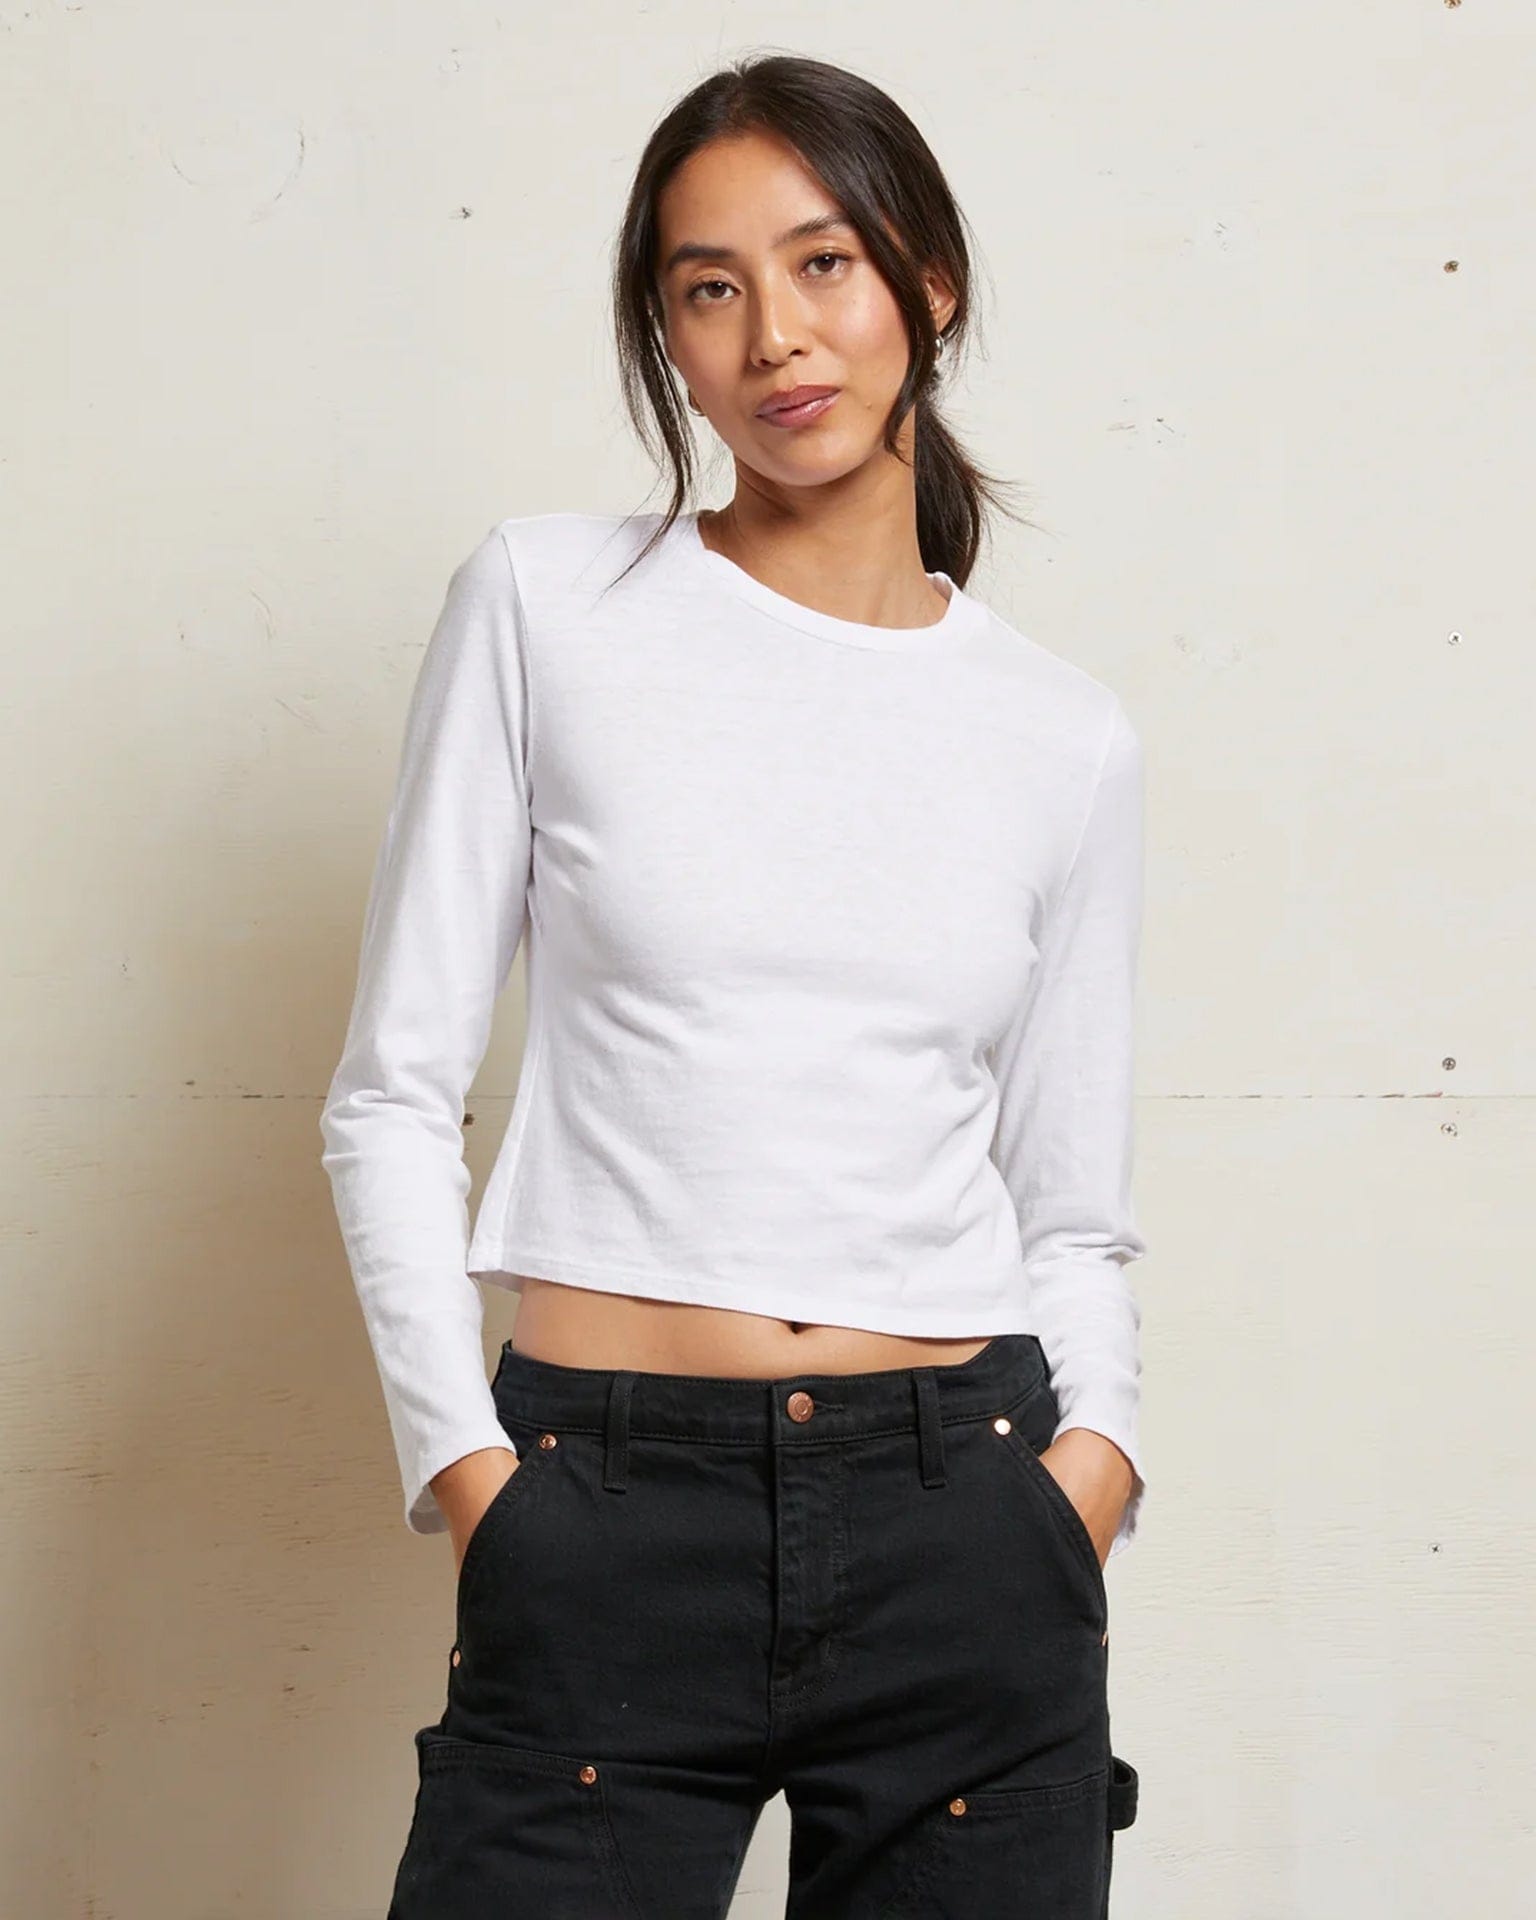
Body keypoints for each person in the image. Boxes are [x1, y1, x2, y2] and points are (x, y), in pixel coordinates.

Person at [320, 50, 1145, 1919]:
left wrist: (1087, 1477)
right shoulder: (548, 608)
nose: (776, 335)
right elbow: (391, 1093)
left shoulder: (1064, 737)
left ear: (928, 284)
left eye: (823, 263)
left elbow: (1073, 1206)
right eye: (710, 287)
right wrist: (471, 1476)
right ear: (669, 343)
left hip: (967, 1515)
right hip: (603, 1504)